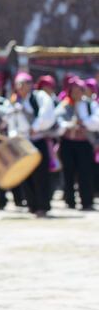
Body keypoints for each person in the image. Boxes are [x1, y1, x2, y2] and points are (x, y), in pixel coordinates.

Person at [9, 72, 57, 217]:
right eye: (20, 84)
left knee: (41, 174)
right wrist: (14, 136)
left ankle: (43, 205)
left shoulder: (40, 97)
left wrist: (35, 127)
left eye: (26, 83)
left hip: (38, 140)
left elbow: (46, 114)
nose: (23, 87)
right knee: (26, 174)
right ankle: (32, 204)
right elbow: (11, 123)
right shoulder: (13, 102)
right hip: (22, 143)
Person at [56, 76, 99, 210]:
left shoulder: (89, 104)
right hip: (68, 143)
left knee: (85, 172)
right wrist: (69, 125)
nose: (76, 93)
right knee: (68, 173)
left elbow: (96, 122)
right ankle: (70, 201)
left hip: (84, 143)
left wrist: (84, 123)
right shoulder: (64, 104)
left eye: (79, 90)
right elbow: (57, 123)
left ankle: (86, 201)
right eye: (73, 91)